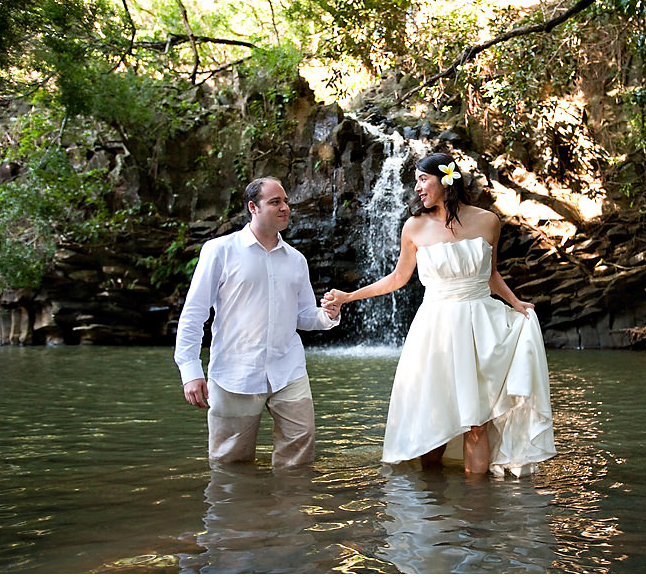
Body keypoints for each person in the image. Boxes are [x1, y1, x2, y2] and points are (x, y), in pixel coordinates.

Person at [322, 152, 556, 476]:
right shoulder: (414, 227)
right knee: (433, 417)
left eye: (422, 179)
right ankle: (433, 511)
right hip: (435, 329)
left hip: (480, 326)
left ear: (446, 180)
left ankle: (479, 515)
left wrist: (515, 303)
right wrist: (349, 296)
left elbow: (491, 274)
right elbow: (397, 278)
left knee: (477, 422)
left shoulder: (488, 221)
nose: (417, 187)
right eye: (415, 180)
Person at [175, 177, 341, 468]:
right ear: (253, 207)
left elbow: (302, 316)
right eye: (275, 202)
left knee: (300, 456)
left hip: (288, 371)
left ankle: (289, 513)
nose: (285, 207)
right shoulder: (220, 250)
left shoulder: (297, 260)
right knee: (230, 463)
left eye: (286, 201)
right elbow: (194, 313)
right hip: (234, 372)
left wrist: (328, 315)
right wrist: (190, 369)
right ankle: (239, 513)